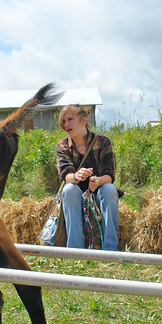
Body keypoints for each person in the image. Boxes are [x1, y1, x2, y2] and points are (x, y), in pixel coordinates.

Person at [55, 104, 120, 251]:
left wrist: (97, 181)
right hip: (76, 195)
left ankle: (111, 250)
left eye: (70, 119)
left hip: (99, 193)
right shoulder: (62, 146)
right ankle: (75, 251)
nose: (66, 124)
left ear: (84, 120)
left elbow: (109, 175)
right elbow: (66, 175)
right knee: (69, 189)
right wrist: (76, 176)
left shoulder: (102, 141)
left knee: (109, 189)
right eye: (63, 121)